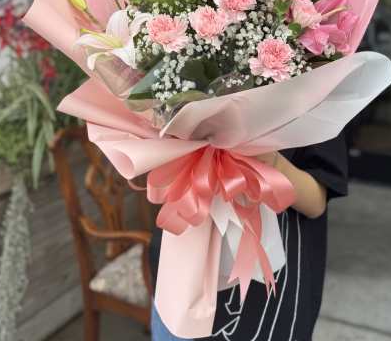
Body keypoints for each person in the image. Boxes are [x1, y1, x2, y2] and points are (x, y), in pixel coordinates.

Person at [149, 135, 349, 341]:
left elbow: (316, 202)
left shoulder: (310, 114)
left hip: (265, 292)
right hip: (178, 275)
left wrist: (271, 162)